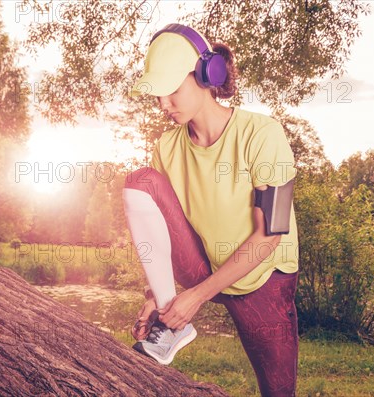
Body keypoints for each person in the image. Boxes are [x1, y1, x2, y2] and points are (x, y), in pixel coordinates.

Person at [122, 24, 299, 397]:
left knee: (279, 391)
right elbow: (169, 232)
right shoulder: (165, 149)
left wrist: (197, 296)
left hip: (263, 278)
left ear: (207, 75)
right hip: (203, 265)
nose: (163, 104)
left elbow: (272, 234)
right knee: (141, 182)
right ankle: (171, 328)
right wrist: (155, 297)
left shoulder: (265, 134)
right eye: (157, 94)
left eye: (172, 89)